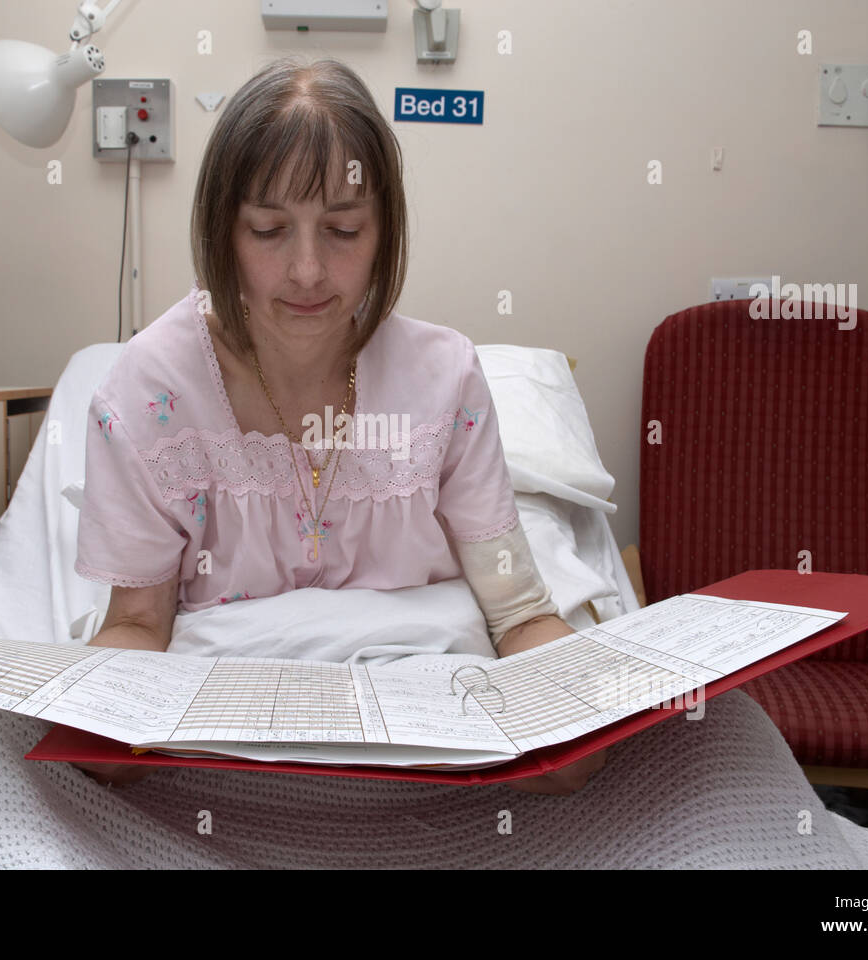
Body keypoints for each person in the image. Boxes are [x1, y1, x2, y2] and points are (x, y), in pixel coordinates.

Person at [70, 56, 607, 794]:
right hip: (231, 764)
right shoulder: (148, 393)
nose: (308, 271)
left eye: (344, 229)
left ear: (384, 230)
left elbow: (518, 613)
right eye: (268, 229)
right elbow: (136, 624)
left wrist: (576, 717)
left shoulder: (444, 379)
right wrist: (99, 725)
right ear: (222, 230)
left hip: (433, 754)